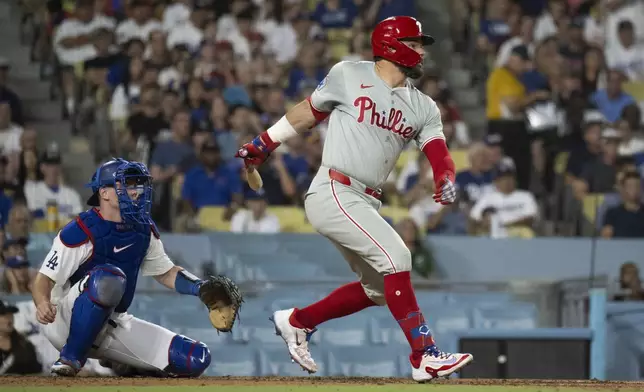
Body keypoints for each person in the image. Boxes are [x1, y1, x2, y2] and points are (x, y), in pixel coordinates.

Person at [236, 16, 472, 382]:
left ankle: (298, 321)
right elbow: (306, 113)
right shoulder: (349, 74)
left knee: (378, 289)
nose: (422, 50)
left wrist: (445, 177)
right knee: (398, 256)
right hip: (333, 188)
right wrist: (264, 143)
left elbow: (439, 152)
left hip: (366, 201)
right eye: (415, 42)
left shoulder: (424, 106)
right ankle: (424, 355)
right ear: (392, 45)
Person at [30, 158, 241, 376]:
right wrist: (43, 302)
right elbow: (43, 279)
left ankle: (125, 364)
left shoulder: (143, 228)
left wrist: (201, 287)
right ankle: (70, 359)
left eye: (137, 184)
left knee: (196, 358)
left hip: (112, 323)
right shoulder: (81, 229)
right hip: (65, 322)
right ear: (104, 193)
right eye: (127, 184)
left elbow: (166, 273)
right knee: (108, 278)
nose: (135, 191)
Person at [0, 300, 42, 375]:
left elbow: (36, 371)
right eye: (3, 314)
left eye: (10, 314)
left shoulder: (24, 344)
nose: (9, 318)